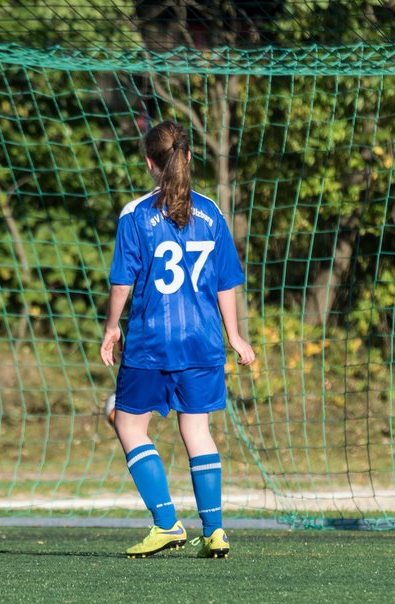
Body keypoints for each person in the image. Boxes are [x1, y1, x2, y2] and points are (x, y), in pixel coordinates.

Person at [100, 120, 256, 559]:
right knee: (197, 430)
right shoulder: (212, 213)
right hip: (203, 342)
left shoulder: (135, 214)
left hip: (152, 340)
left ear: (150, 163)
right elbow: (226, 282)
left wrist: (113, 327)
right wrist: (235, 336)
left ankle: (167, 523)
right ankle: (216, 531)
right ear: (188, 157)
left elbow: (122, 279)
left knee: (126, 421)